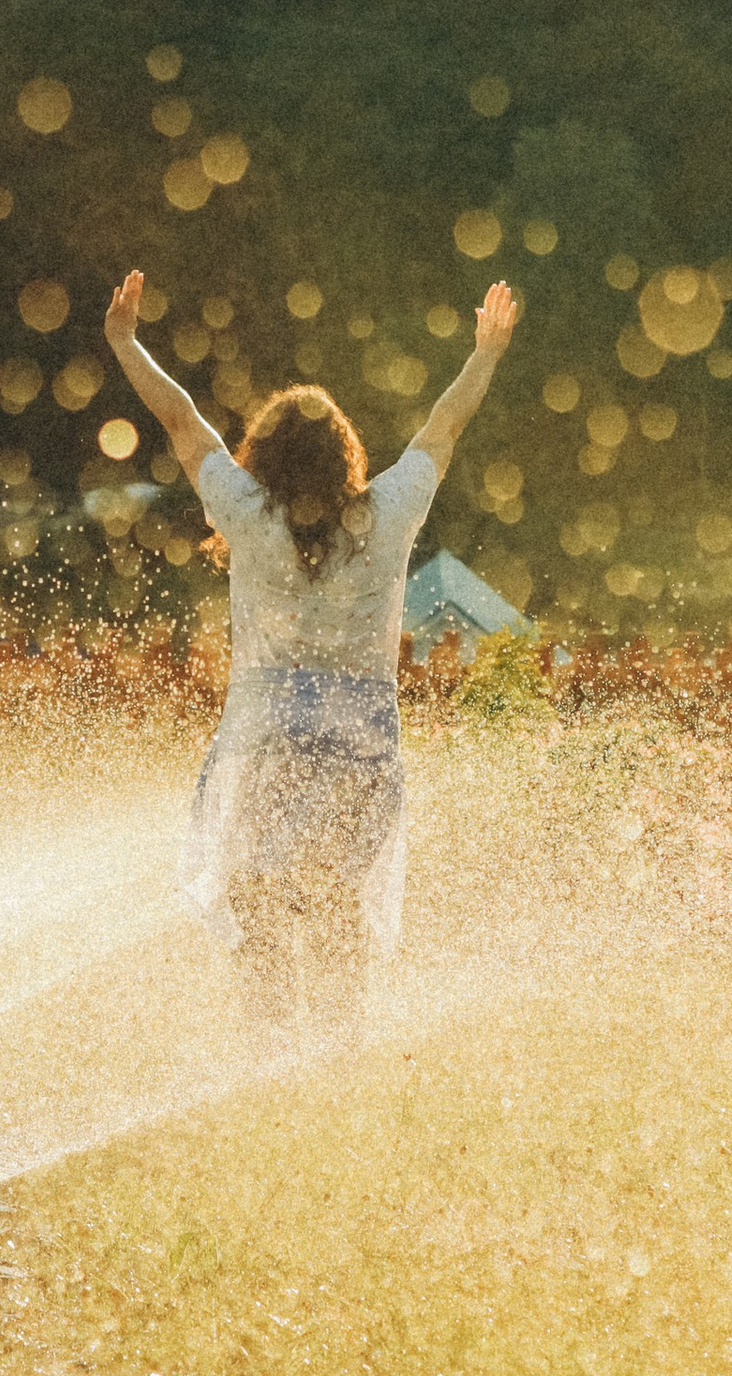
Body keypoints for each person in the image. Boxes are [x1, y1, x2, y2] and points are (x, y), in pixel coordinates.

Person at [101, 269, 519, 1036]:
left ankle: (270, 1044)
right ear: (346, 454)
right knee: (336, 900)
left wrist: (126, 341)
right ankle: (335, 1048)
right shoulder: (388, 512)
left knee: (257, 897)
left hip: (266, 734)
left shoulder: (245, 510)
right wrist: (485, 353)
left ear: (262, 453)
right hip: (362, 738)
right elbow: (444, 429)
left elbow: (180, 418)